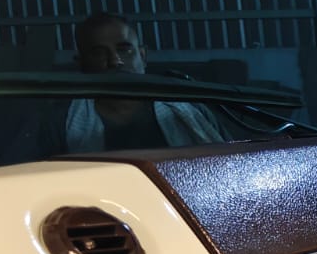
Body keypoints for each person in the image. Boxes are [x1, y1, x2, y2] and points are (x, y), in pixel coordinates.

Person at [67, 12, 228, 152]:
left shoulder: (192, 109)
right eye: (99, 53)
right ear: (81, 63)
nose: (115, 61)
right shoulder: (62, 121)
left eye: (124, 49)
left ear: (143, 56)